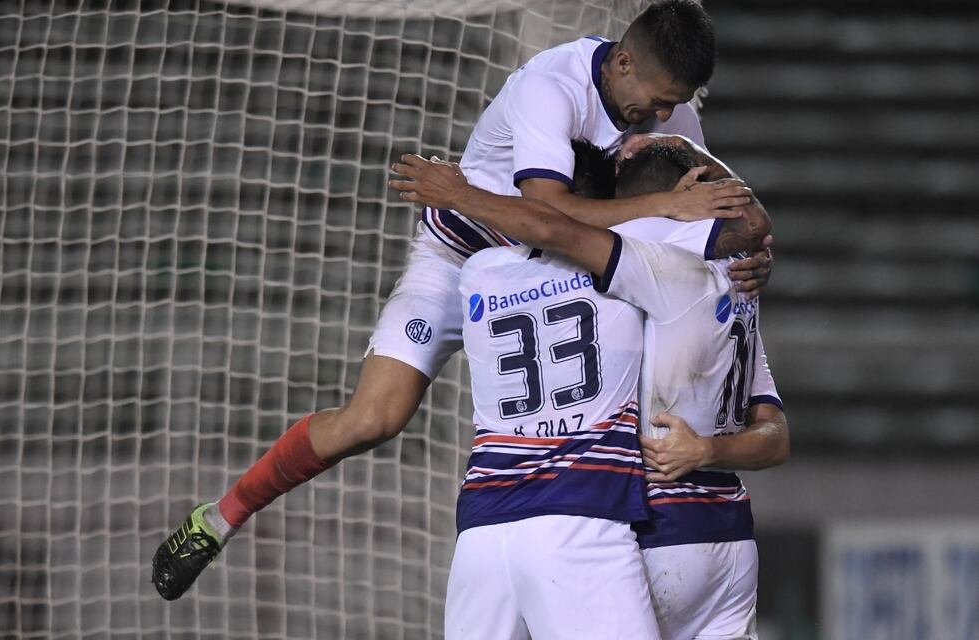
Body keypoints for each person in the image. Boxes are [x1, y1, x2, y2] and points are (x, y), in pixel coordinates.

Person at [151, 0, 772, 601]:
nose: (662, 114)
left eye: (675, 103)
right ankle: (222, 517)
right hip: (465, 256)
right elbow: (546, 211)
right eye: (658, 98)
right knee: (376, 417)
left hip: (568, 269)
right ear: (623, 64)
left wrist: (746, 253)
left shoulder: (670, 115)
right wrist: (666, 206)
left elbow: (726, 211)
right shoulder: (550, 86)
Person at [390, 140, 787, 640]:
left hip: (512, 520)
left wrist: (462, 195)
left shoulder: (478, 274)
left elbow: (550, 228)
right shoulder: (693, 273)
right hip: (708, 531)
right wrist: (683, 160)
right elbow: (751, 227)